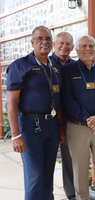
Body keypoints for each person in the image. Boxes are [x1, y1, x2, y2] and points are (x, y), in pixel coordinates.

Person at [6, 25, 65, 200]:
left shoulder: (55, 66)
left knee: (48, 174)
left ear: (52, 43)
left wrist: (60, 127)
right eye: (39, 39)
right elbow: (11, 102)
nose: (44, 42)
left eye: (47, 39)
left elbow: (59, 99)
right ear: (32, 42)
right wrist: (15, 134)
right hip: (31, 126)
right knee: (36, 176)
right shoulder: (20, 66)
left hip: (52, 125)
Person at [61, 35, 95, 200]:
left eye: (91, 46)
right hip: (77, 127)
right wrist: (88, 118)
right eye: (84, 46)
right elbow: (67, 99)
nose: (88, 49)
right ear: (77, 50)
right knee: (80, 168)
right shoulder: (68, 71)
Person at [49, 31, 77, 200]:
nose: (64, 47)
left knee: (69, 158)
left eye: (68, 44)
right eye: (61, 43)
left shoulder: (75, 66)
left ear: (72, 47)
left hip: (70, 118)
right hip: (50, 120)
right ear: (54, 44)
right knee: (48, 160)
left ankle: (72, 193)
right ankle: (47, 194)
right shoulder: (47, 63)